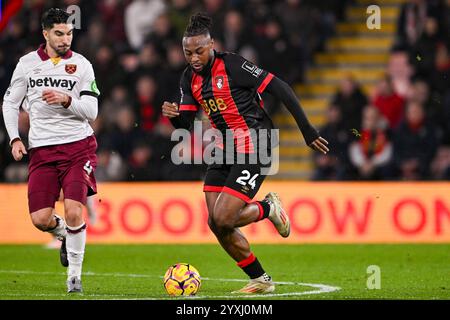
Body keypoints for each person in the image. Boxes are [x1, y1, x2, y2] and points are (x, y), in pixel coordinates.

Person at [162, 13, 329, 294]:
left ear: (211, 44)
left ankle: (268, 208)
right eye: (187, 52)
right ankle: (260, 280)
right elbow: (186, 124)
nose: (193, 57)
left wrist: (308, 131)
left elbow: (282, 88)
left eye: (199, 51)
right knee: (215, 223)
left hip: (256, 145)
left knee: (225, 218)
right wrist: (173, 117)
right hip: (224, 149)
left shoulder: (234, 65)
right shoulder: (188, 78)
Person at [2, 8, 99, 293]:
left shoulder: (82, 65)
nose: (65, 39)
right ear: (45, 33)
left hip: (78, 147)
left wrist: (67, 100)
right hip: (42, 150)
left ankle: (74, 278)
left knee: (73, 212)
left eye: (69, 33)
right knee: (40, 219)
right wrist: (14, 139)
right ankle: (66, 237)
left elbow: (92, 110)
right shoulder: (27, 64)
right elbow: (10, 103)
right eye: (59, 33)